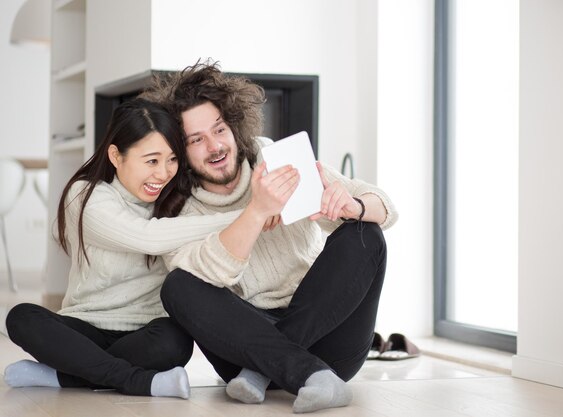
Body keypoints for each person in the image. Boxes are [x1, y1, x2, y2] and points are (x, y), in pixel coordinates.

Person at [145, 60, 398, 413]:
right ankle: (304, 374)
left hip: (323, 344)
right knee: (178, 286)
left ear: (234, 126)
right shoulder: (178, 209)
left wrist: (351, 204)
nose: (215, 146)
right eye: (196, 140)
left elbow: (386, 207)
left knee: (365, 234)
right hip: (244, 349)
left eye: (219, 130)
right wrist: (257, 211)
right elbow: (210, 279)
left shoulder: (272, 156)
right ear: (180, 152)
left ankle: (274, 371)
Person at [4, 98, 241, 398]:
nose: (164, 173)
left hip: (145, 333)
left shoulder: (180, 202)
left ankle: (66, 376)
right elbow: (147, 237)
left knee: (176, 341)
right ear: (116, 156)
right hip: (83, 329)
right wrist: (245, 217)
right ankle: (136, 381)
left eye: (172, 159)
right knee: (21, 317)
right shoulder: (85, 196)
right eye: (152, 161)